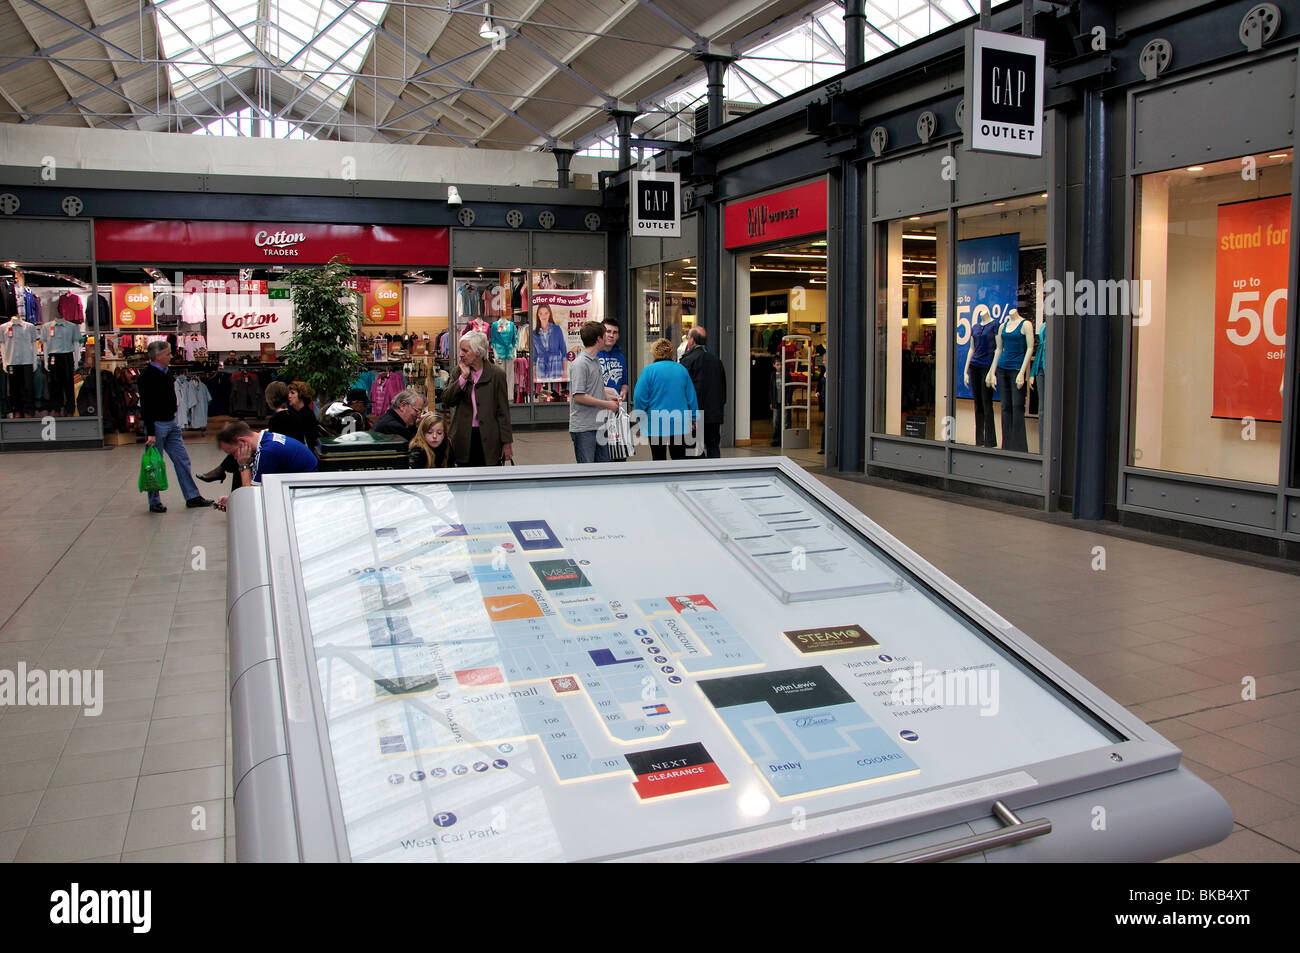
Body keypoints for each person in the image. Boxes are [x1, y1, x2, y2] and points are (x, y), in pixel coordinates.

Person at [138, 340, 212, 513]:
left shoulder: (167, 373)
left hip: (171, 423)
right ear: (157, 356)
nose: (170, 356)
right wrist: (150, 432)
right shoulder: (146, 377)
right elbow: (146, 406)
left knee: (182, 459)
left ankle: (192, 496)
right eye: (167, 353)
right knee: (154, 464)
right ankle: (154, 501)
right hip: (156, 425)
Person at [213, 420, 318, 511]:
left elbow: (251, 497)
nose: (235, 458)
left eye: (233, 453)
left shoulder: (267, 452)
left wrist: (243, 465)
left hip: (303, 498)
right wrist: (234, 501)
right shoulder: (267, 440)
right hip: (299, 490)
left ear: (242, 441)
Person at [444, 330, 513, 466]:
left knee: (488, 480)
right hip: (463, 437)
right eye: (460, 350)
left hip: (489, 439)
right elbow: (448, 400)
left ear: (478, 352)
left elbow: (503, 412)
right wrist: (462, 379)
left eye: (465, 350)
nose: (461, 354)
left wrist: (507, 443)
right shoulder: (458, 371)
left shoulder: (496, 374)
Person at [633, 338, 698, 461]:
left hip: (656, 421)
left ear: (654, 353)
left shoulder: (649, 371)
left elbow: (639, 397)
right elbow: (691, 397)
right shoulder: (681, 370)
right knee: (679, 458)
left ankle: (661, 480)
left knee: (658, 458)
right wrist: (694, 418)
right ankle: (678, 480)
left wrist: (640, 416)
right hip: (679, 422)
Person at [569, 320, 620, 463]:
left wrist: (610, 397)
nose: (608, 338)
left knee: (604, 470)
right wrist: (607, 404)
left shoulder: (595, 361)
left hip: (599, 424)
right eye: (605, 335)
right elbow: (579, 396)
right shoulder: (580, 364)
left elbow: (593, 389)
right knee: (588, 472)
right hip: (584, 428)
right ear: (598, 339)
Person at [680, 326, 726, 459]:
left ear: (692, 340)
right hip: (714, 413)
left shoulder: (687, 361)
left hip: (696, 415)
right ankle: (716, 475)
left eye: (688, 337)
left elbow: (684, 390)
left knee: (695, 450)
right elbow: (723, 389)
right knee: (713, 447)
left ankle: (699, 478)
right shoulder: (716, 361)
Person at [599, 318, 629, 402]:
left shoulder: (620, 357)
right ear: (601, 333)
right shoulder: (594, 355)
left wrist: (623, 391)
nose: (611, 335)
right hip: (597, 406)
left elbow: (624, 382)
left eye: (615, 332)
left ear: (618, 336)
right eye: (608, 331)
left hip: (616, 405)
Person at [287, 380, 320, 454]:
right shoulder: (292, 412)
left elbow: (310, 441)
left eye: (292, 393)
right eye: (289, 393)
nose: (289, 396)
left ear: (301, 395)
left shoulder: (307, 415)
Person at [769, 356, 782, 447]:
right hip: (776, 402)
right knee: (775, 421)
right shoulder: (773, 375)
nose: (779, 366)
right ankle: (776, 440)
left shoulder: (786, 374)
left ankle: (785, 439)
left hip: (784, 401)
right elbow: (771, 389)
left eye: (781, 364)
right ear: (774, 365)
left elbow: (789, 388)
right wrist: (771, 402)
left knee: (785, 421)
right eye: (777, 365)